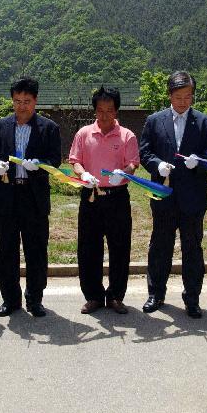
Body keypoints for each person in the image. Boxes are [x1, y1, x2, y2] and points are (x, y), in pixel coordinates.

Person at [139, 71, 207, 318]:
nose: (183, 101)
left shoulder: (205, 122)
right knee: (160, 245)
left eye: (188, 96)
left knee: (192, 247)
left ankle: (192, 298)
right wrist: (156, 165)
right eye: (178, 96)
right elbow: (145, 152)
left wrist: (201, 160)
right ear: (169, 95)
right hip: (163, 194)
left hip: (193, 197)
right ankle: (156, 293)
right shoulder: (154, 120)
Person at [0, 77, 61, 318]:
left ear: (36, 101)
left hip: (34, 196)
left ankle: (35, 299)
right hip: (7, 194)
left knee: (36, 250)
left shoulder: (49, 128)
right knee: (7, 250)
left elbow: (55, 160)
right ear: (12, 100)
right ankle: (10, 299)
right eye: (17, 101)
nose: (22, 106)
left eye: (27, 101)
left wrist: (40, 164)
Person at [68, 86, 139, 315]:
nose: (105, 115)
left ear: (117, 110)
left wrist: (124, 172)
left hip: (117, 197)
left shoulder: (127, 135)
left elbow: (133, 163)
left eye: (109, 110)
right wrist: (82, 174)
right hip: (91, 195)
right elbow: (75, 161)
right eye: (100, 110)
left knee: (119, 247)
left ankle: (116, 296)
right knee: (89, 248)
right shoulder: (84, 133)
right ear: (95, 110)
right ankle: (94, 296)